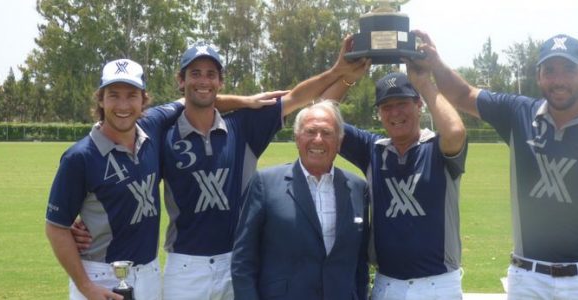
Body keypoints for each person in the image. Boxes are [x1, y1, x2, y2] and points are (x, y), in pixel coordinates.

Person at [427, 31, 578, 299]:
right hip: (529, 280)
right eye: (550, 70)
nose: (558, 80)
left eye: (569, 69)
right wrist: (433, 63)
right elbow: (462, 94)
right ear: (538, 75)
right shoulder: (518, 114)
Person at [159, 39, 369, 300]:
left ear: (220, 82)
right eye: (195, 74)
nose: (204, 80)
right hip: (185, 264)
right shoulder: (163, 133)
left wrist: (338, 72)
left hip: (232, 259)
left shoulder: (242, 127)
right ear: (181, 80)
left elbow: (295, 98)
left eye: (211, 74)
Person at [323, 30, 468, 299]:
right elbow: (322, 115)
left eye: (402, 103)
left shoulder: (437, 147)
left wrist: (424, 81)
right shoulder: (373, 150)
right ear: (379, 114)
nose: (395, 113)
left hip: (438, 283)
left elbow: (456, 132)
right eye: (386, 107)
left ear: (419, 105)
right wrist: (346, 76)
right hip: (387, 283)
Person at [45, 58, 185, 300]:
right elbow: (56, 228)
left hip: (150, 273)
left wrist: (249, 101)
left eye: (131, 95)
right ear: (101, 99)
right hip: (100, 278)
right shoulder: (79, 157)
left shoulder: (152, 127)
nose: (123, 105)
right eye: (113, 95)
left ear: (143, 100)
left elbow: (194, 99)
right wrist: (86, 287)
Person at [231, 100, 370, 300]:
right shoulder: (266, 184)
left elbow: (360, 262)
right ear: (297, 138)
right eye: (310, 131)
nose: (318, 140)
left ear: (339, 142)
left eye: (327, 133)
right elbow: (243, 260)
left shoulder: (357, 188)